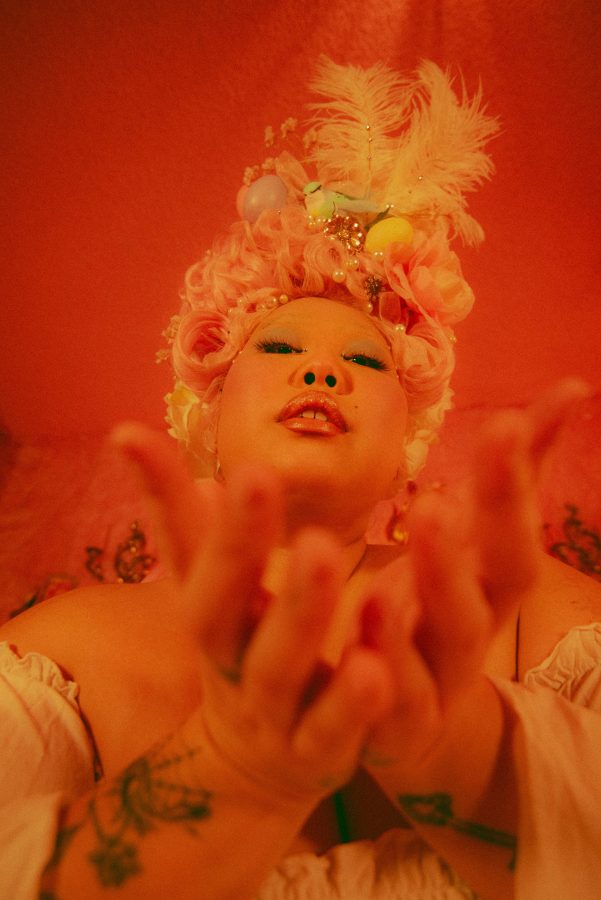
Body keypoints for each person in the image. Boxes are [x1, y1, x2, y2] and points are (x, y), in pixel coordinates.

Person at [1, 58, 601, 900]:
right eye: (280, 347)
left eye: (365, 360)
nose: (322, 373)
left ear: (406, 446)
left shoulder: (526, 607)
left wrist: (460, 755)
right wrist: (229, 770)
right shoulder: (62, 650)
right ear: (207, 411)